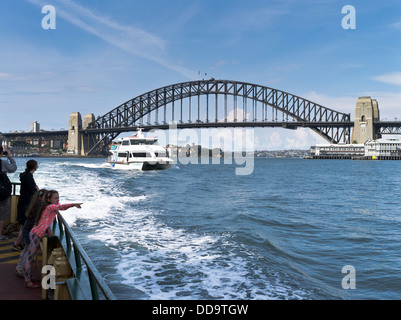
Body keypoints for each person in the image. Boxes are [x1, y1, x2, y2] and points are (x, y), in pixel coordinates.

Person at [23, 190, 82, 288]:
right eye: (55, 198)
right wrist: (73, 204)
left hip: (37, 233)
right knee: (30, 257)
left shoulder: (49, 206)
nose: (57, 200)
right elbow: (60, 207)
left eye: (58, 197)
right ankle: (27, 281)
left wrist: (50, 232)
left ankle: (27, 277)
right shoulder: (50, 207)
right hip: (36, 234)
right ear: (49, 199)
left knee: (30, 256)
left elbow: (49, 218)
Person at [15, 189, 48, 278]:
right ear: (41, 197)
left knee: (25, 249)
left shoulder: (35, 204)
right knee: (28, 251)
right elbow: (37, 220)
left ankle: (19, 267)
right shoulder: (40, 206)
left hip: (26, 229)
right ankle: (21, 269)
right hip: (30, 230)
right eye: (46, 197)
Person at [14, 160, 39, 250]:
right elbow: (33, 191)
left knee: (23, 225)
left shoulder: (26, 175)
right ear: (35, 168)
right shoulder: (28, 177)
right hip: (26, 204)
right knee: (25, 225)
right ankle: (17, 243)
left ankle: (19, 243)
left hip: (23, 202)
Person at [0, 146, 17, 241]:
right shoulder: (3, 162)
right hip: (2, 193)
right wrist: (10, 156)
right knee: (1, 216)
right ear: (2, 153)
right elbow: (13, 169)